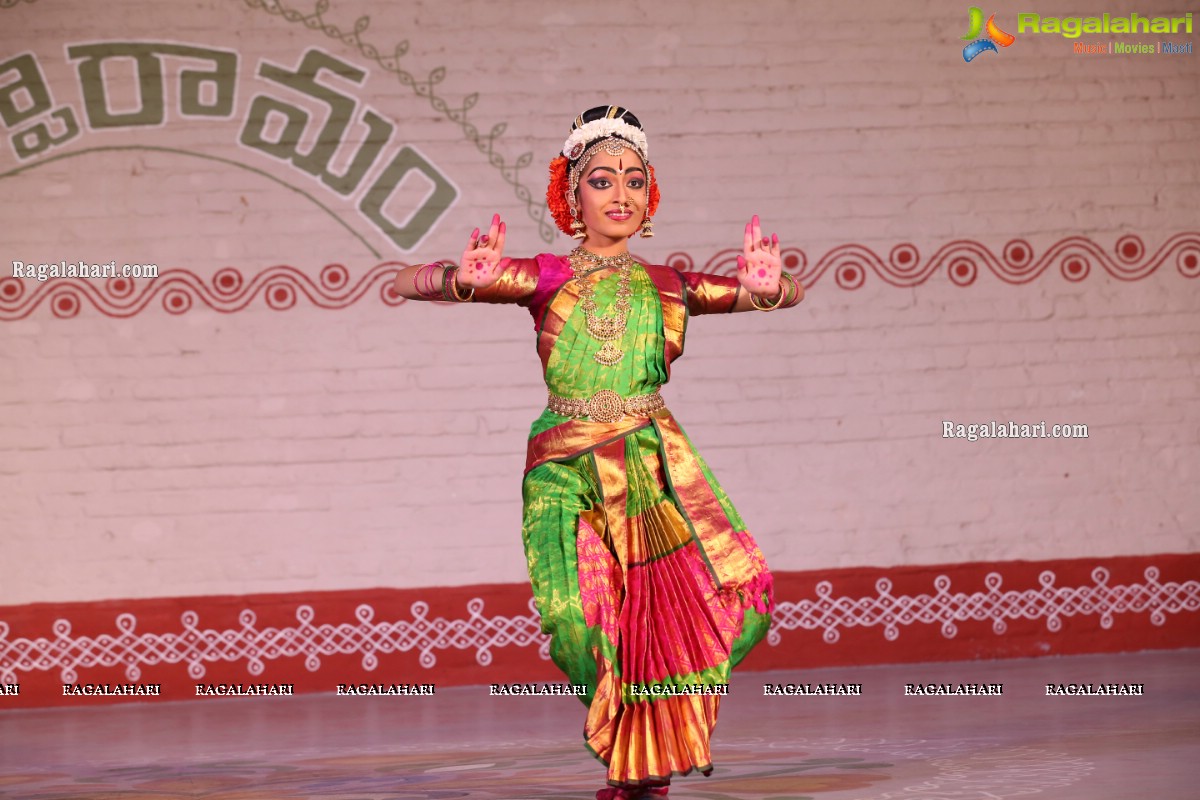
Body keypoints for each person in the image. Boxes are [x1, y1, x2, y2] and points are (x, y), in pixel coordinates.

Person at [393, 105, 803, 800]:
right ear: (572, 198)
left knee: (681, 614)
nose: (621, 195)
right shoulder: (550, 276)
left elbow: (781, 296)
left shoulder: (668, 285)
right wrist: (462, 277)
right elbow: (407, 282)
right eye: (603, 181)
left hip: (652, 469)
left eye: (635, 182)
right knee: (579, 620)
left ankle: (644, 772)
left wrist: (772, 288)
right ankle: (632, 748)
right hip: (565, 470)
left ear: (650, 200)